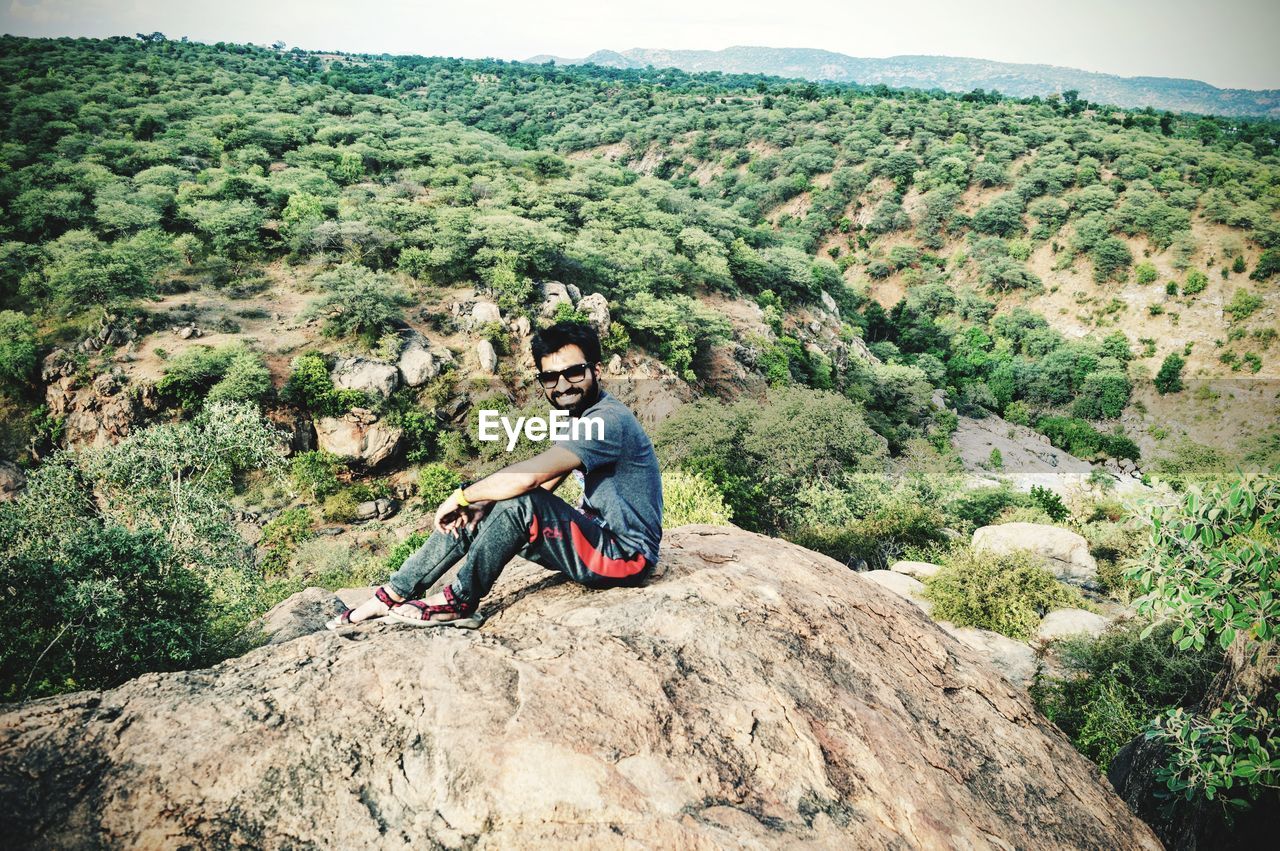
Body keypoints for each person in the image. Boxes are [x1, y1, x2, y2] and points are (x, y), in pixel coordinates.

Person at [327, 321, 663, 629]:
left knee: (511, 501)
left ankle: (460, 601)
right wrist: (482, 503)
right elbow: (548, 480)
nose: (562, 386)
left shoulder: (606, 421)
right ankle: (391, 594)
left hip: (625, 556)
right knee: (484, 508)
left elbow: (532, 479)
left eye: (574, 373)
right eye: (550, 377)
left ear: (597, 370)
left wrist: (463, 495)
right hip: (595, 539)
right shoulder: (579, 415)